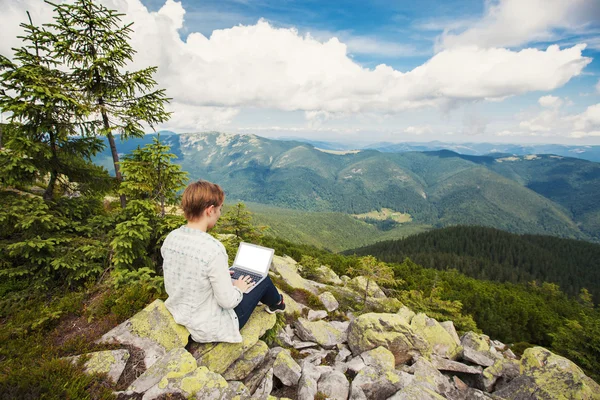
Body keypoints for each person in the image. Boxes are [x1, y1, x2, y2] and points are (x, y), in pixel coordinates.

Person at [161, 180, 285, 343]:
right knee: (263, 280)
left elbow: (186, 274)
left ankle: (276, 302)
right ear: (210, 210)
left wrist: (222, 277)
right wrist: (238, 288)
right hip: (209, 327)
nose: (220, 214)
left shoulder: (172, 238)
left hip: (179, 312)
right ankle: (277, 303)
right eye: (219, 209)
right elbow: (228, 302)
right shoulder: (213, 249)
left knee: (246, 280)